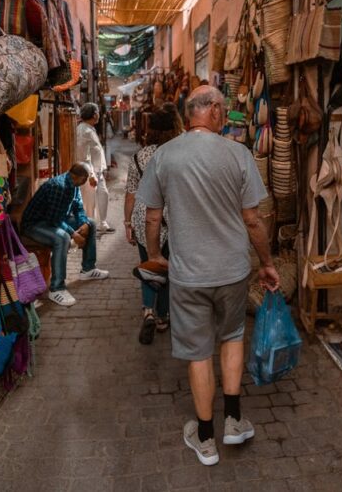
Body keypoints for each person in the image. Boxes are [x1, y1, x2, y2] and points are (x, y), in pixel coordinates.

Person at [136, 86, 280, 467]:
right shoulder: (238, 154)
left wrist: (153, 256)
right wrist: (266, 263)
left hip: (188, 274)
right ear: (214, 110)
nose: (225, 113)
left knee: (198, 352)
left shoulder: (164, 156)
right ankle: (233, 421)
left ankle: (205, 439)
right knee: (232, 337)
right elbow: (253, 218)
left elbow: (152, 216)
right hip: (232, 270)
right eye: (224, 108)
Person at [123, 103, 183, 345]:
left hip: (143, 215)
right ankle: (163, 317)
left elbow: (130, 193)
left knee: (149, 265)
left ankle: (148, 310)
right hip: (173, 216)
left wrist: (127, 222)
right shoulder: (180, 154)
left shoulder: (140, 156)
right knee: (167, 268)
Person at [19, 163, 109, 307]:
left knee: (91, 223)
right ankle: (56, 288)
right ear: (76, 177)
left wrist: (83, 223)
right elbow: (53, 219)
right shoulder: (58, 187)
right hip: (35, 224)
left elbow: (78, 207)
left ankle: (88, 268)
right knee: (63, 238)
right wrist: (74, 234)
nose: (86, 182)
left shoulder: (74, 185)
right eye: (84, 179)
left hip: (55, 218)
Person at [75, 102, 113, 233]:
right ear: (93, 114)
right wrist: (91, 173)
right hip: (90, 171)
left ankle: (102, 223)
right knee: (89, 200)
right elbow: (83, 155)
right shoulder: (84, 130)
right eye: (97, 112)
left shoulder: (89, 128)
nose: (98, 115)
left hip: (97, 170)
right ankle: (89, 226)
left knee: (103, 194)